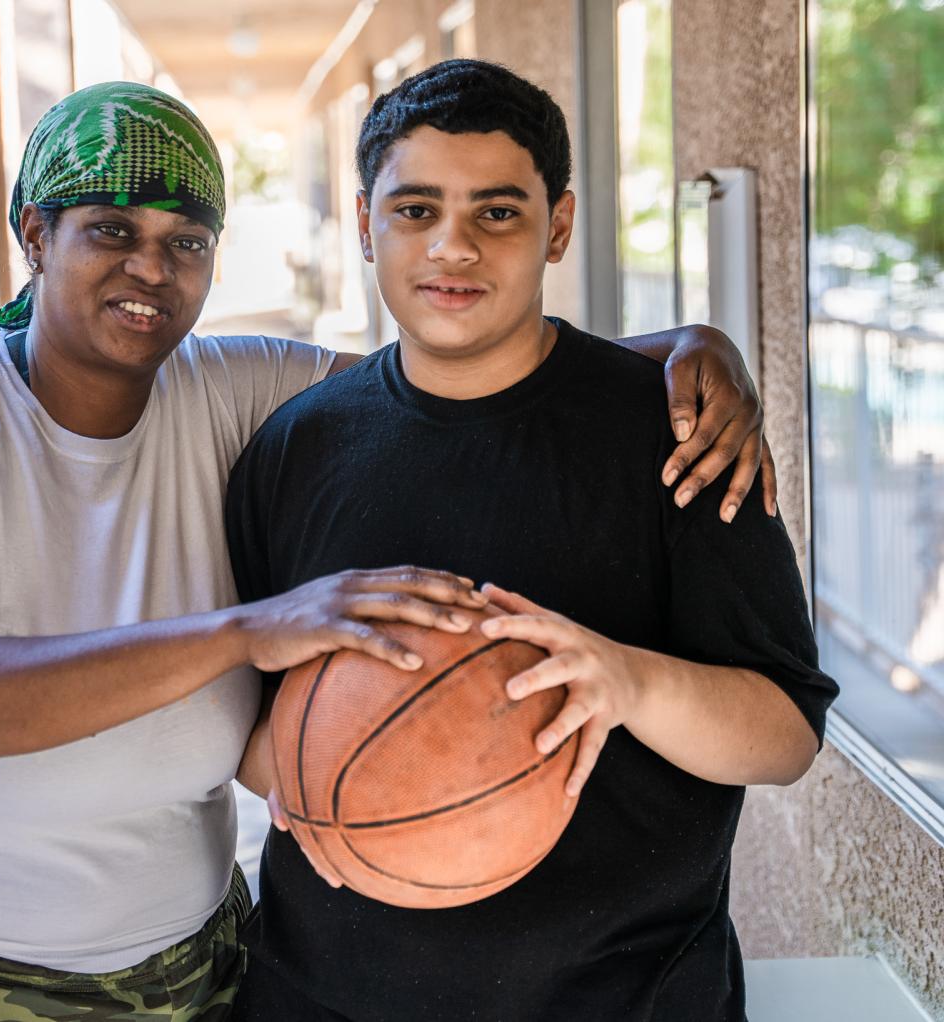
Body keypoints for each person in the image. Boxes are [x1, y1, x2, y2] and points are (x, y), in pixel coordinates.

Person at [0, 80, 775, 1020]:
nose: (150, 267)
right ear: (34, 235)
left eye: (186, 241)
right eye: (109, 231)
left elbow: (464, 353)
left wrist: (689, 348)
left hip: (188, 968)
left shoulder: (231, 383)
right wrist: (244, 632)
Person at [226, 59, 837, 1022]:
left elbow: (786, 737)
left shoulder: (678, 431)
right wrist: (372, 760)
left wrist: (627, 680)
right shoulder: (295, 449)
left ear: (558, 226)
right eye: (416, 209)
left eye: (497, 213)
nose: (453, 247)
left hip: (629, 999)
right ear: (363, 223)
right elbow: (254, 746)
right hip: (327, 996)